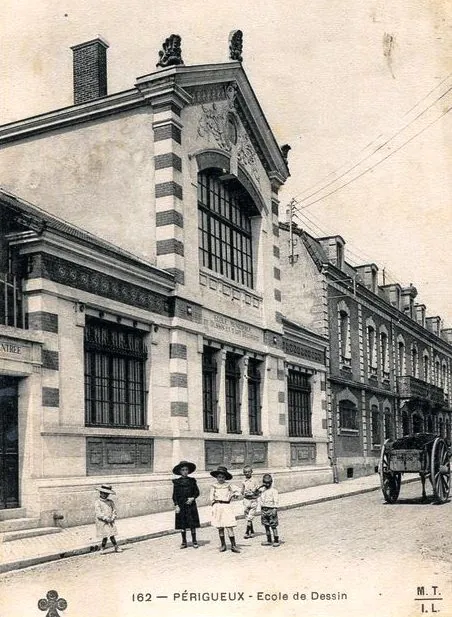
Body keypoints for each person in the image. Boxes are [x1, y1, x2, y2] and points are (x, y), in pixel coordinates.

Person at [210, 466, 241, 553]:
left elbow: (238, 490)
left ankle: (233, 545)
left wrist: (234, 495)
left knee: (229, 526)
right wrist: (214, 504)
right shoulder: (214, 486)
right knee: (220, 527)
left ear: (225, 477)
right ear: (216, 477)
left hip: (227, 507)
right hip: (218, 507)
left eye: (223, 477)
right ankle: (223, 545)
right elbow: (211, 497)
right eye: (219, 477)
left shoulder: (228, 485)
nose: (221, 479)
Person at [172, 460, 201, 549]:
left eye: (186, 470)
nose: (185, 471)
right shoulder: (177, 482)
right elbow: (174, 495)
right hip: (181, 505)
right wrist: (176, 505)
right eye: (183, 470)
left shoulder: (192, 481)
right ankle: (184, 542)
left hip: (190, 504)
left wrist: (192, 498)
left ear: (188, 471)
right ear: (180, 471)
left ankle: (194, 541)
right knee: (182, 524)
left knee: (192, 523)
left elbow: (197, 492)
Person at [95, 484, 123, 553]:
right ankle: (103, 548)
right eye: (103, 493)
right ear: (100, 493)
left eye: (107, 494)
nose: (105, 495)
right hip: (103, 522)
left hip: (110, 521)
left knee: (111, 534)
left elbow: (114, 510)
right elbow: (99, 513)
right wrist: (106, 518)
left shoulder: (110, 502)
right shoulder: (98, 502)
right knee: (105, 535)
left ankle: (115, 547)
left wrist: (113, 517)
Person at [259, 473, 280, 547]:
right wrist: (259, 487)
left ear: (271, 482)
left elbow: (276, 501)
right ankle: (269, 540)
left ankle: (276, 540)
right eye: (265, 482)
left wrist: (275, 509)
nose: (267, 484)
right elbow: (255, 493)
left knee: (273, 526)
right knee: (266, 525)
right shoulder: (262, 490)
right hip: (264, 510)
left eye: (268, 483)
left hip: (271, 509)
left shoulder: (274, 491)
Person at [241, 465, 261, 539]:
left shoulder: (255, 481)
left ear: (251, 472)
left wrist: (255, 493)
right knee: (247, 515)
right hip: (246, 500)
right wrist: (242, 493)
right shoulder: (244, 481)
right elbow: (242, 491)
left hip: (253, 500)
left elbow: (259, 490)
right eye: (245, 472)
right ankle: (252, 530)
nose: (247, 473)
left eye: (248, 472)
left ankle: (247, 532)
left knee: (250, 516)